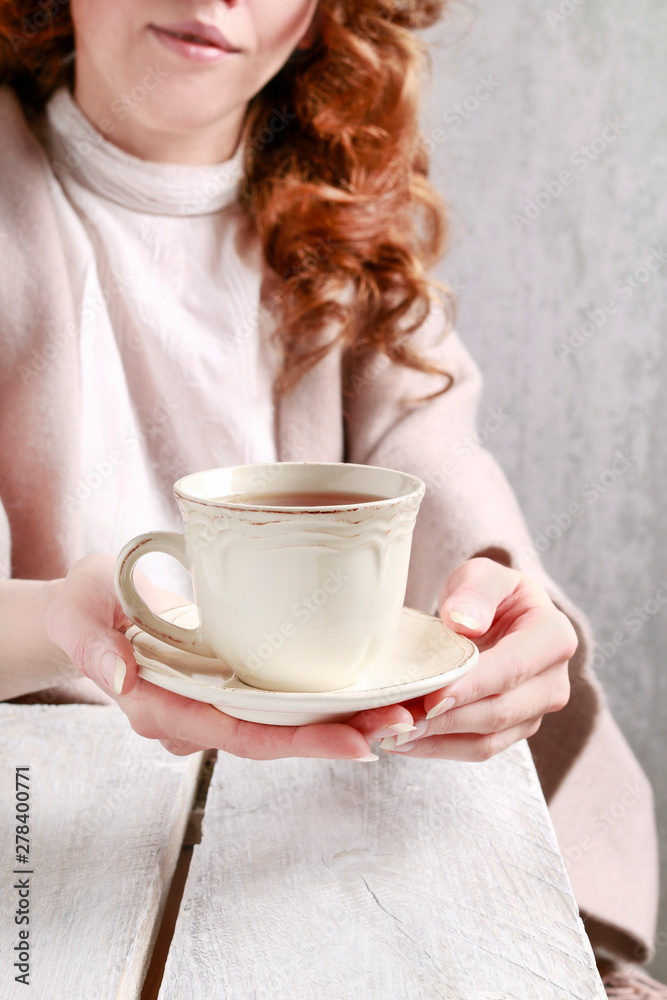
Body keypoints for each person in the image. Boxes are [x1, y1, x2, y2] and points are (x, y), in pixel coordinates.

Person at [0, 1, 662, 994]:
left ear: (317, 17)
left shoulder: (350, 233)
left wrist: (500, 617)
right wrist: (63, 616)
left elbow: (440, 474)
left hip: (331, 849)